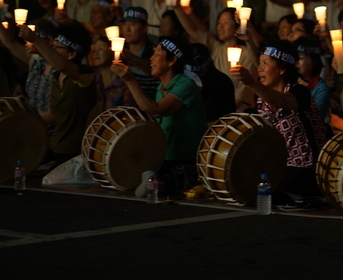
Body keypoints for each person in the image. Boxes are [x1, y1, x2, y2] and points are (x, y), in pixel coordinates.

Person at [234, 40, 329, 208]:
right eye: (260, 63)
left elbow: (280, 101)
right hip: (280, 170)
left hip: (307, 171)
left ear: (282, 69)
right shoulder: (262, 101)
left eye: (265, 63)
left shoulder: (300, 92)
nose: (260, 68)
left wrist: (250, 82)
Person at [111, 35, 208, 194]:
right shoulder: (162, 88)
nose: (151, 58)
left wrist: (129, 80)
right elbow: (150, 68)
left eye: (157, 53)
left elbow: (156, 109)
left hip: (185, 161)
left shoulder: (186, 85)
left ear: (171, 61)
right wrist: (131, 58)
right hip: (165, 158)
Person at [18, 23, 95, 164]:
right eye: (52, 46)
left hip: (75, 153)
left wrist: (35, 39)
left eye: (58, 48)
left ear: (72, 54)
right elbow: (53, 112)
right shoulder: (56, 76)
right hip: (55, 145)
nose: (52, 51)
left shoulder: (85, 74)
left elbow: (63, 65)